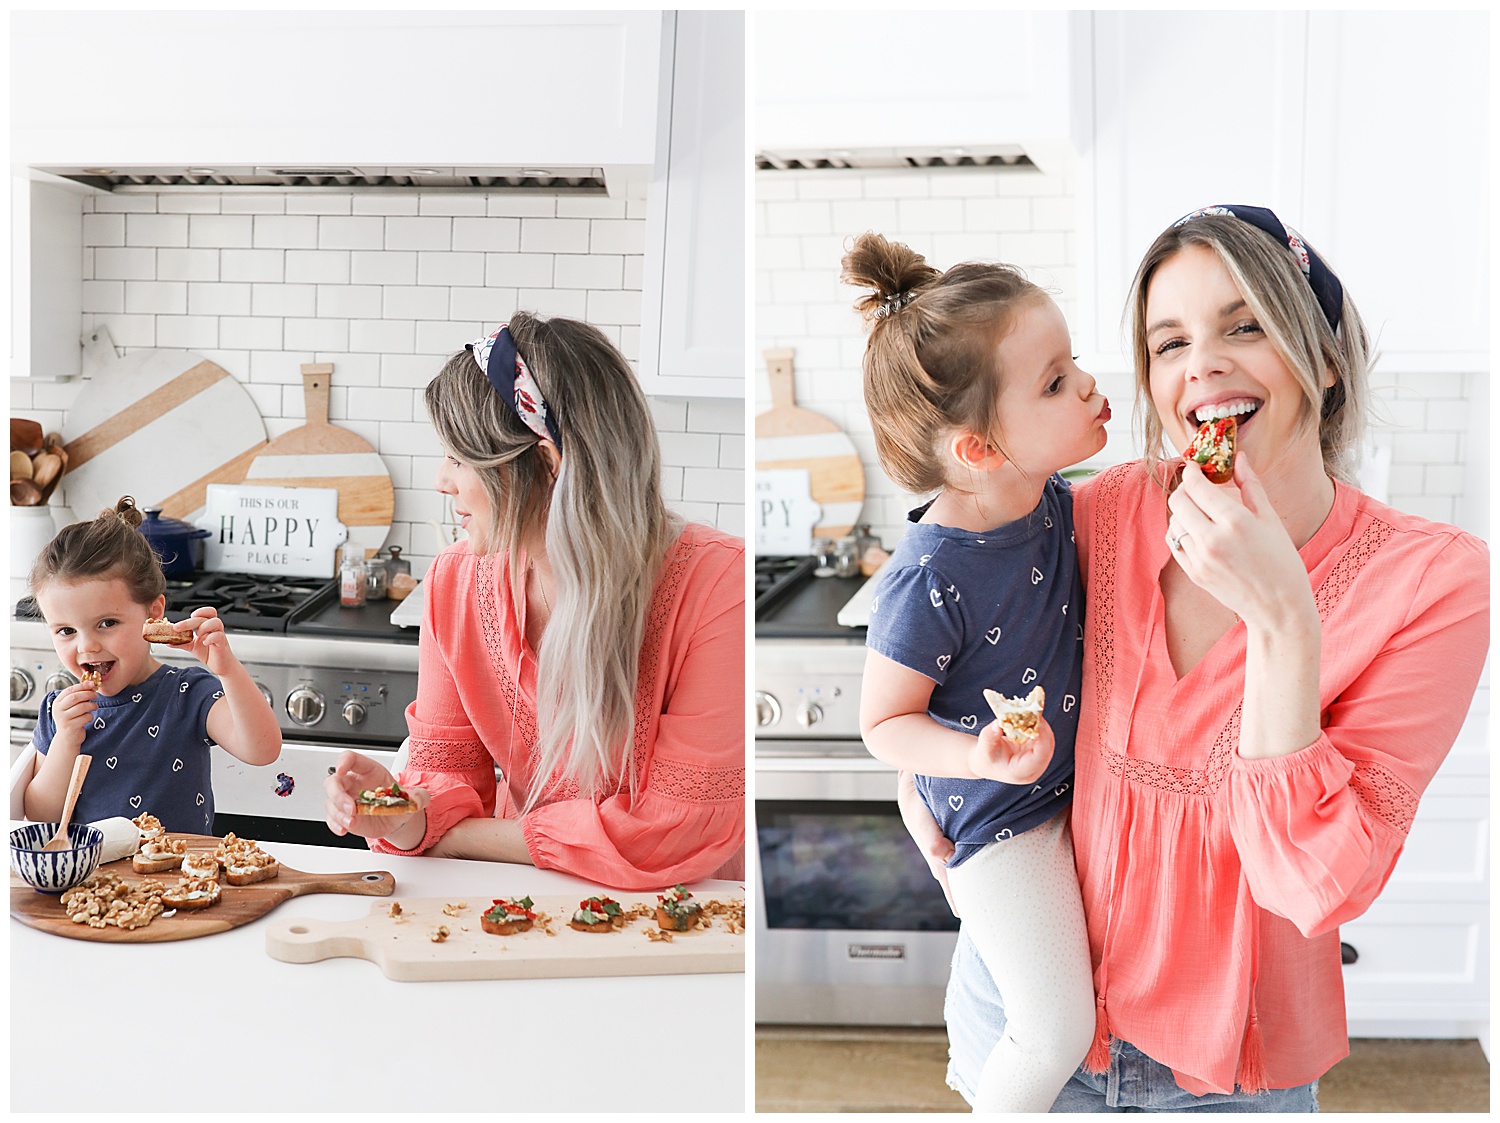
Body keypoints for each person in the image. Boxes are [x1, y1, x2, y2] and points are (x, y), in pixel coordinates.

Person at [904, 205, 1490, 1111]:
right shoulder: (1098, 514)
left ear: (1326, 357)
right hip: (1028, 1025)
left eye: (1244, 324)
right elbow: (955, 653)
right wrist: (917, 785)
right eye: (1168, 342)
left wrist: (1285, 619)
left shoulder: (1430, 579)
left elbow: (1316, 885)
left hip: (1226, 1074)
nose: (1202, 364)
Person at [322, 313, 745, 889]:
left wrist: (453, 833)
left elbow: (671, 829)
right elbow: (444, 782)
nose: (442, 481)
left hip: (684, 920)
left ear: (546, 466)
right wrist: (397, 815)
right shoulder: (456, 583)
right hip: (526, 903)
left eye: (461, 459)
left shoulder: (719, 586)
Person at [842, 232, 1107, 1112]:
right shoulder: (930, 575)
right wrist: (973, 756)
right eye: (1058, 382)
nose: (1089, 386)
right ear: (978, 450)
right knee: (1054, 1030)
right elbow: (883, 725)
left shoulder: (1051, 496)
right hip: (1003, 823)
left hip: (1065, 794)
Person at [23, 496, 282, 833]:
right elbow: (39, 816)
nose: (87, 646)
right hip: (92, 883)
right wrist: (65, 742)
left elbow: (262, 750)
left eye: (107, 623)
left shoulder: (188, 694)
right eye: (66, 631)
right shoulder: (59, 712)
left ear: (153, 613)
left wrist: (227, 670)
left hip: (181, 880)